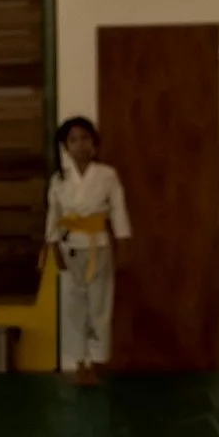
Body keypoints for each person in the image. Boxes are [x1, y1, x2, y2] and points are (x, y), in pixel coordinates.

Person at [46, 117, 131, 385]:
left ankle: (95, 363)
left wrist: (124, 243)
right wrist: (52, 245)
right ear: (65, 147)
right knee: (72, 305)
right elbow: (54, 214)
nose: (80, 144)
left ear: (94, 144)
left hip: (99, 246)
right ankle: (79, 362)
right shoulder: (60, 179)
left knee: (99, 305)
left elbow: (118, 210)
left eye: (85, 138)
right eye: (73, 140)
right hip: (69, 246)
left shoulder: (107, 175)